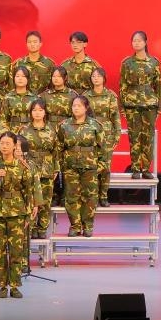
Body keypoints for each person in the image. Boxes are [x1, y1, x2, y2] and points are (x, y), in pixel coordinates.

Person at [0, 132, 36, 298]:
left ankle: (14, 286)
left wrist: (28, 215)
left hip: (17, 213)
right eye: (2, 143)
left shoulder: (22, 166)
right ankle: (2, 286)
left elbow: (28, 191)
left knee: (16, 252)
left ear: (15, 146)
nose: (4, 146)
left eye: (8, 143)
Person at [119, 30, 161, 179]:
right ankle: (136, 168)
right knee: (134, 137)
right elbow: (122, 86)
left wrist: (160, 108)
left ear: (145, 42)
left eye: (139, 40)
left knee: (148, 137)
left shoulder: (154, 62)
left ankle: (146, 169)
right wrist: (122, 107)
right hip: (132, 105)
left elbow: (159, 86)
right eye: (134, 41)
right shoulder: (127, 63)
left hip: (150, 105)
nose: (136, 43)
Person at [59, 96, 102, 237]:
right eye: (74, 106)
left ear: (86, 107)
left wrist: (101, 165)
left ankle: (88, 225)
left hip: (90, 167)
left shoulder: (95, 125)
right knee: (71, 197)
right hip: (70, 167)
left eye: (79, 105)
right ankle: (75, 226)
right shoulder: (64, 125)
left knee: (90, 196)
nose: (76, 108)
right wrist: (62, 165)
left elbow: (103, 148)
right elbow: (59, 147)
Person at [17, 99, 58, 239]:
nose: (37, 113)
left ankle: (42, 228)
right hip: (29, 167)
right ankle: (32, 227)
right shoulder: (24, 130)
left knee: (45, 200)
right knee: (31, 199)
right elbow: (19, 150)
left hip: (47, 168)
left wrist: (56, 169)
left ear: (45, 112)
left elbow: (56, 151)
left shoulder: (52, 129)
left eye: (40, 110)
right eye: (34, 110)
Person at [85, 68, 122, 207]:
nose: (96, 78)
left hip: (107, 135)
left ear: (104, 78)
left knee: (105, 167)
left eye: (98, 76)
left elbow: (115, 117)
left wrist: (117, 134)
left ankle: (104, 196)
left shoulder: (110, 95)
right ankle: (93, 196)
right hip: (90, 134)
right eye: (93, 76)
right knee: (92, 167)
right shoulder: (86, 96)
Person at [12, 31, 55, 95]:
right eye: (29, 42)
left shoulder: (49, 63)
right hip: (25, 99)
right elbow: (13, 85)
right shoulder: (19, 63)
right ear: (26, 44)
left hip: (43, 99)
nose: (32, 44)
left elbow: (53, 85)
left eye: (35, 42)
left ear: (40, 44)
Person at [42, 65, 77, 130]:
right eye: (54, 76)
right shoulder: (44, 95)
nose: (56, 79)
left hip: (67, 127)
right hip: (48, 127)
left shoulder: (73, 95)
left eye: (59, 76)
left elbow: (78, 113)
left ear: (65, 77)